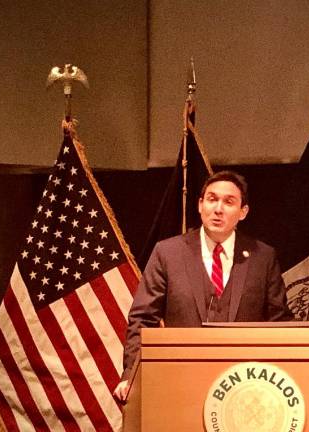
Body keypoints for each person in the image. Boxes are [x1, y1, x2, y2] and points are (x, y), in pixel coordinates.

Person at [113, 170, 291, 401]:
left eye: (229, 202)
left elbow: (279, 322)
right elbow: (142, 319)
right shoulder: (168, 253)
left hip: (244, 388)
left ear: (243, 212)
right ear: (200, 205)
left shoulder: (263, 257)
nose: (218, 208)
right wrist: (131, 375)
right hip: (181, 383)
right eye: (212, 199)